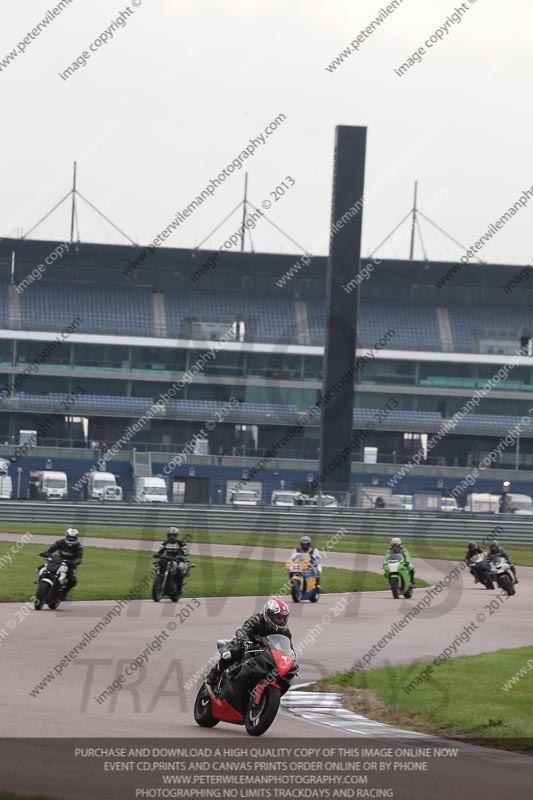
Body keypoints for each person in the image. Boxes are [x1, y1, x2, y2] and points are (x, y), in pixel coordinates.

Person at [206, 598, 291, 688]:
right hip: (247, 646)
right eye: (278, 617)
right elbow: (241, 631)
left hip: (266, 654)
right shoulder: (257, 620)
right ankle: (213, 675)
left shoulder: (285, 632)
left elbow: (289, 648)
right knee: (232, 653)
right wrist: (246, 641)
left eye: (283, 618)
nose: (281, 621)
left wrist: (291, 657)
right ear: (269, 615)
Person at [39, 528, 83, 600]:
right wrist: (45, 553)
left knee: (73, 580)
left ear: (76, 538)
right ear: (66, 536)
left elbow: (79, 558)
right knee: (41, 567)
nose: (71, 539)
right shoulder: (60, 542)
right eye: (69, 537)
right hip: (58, 560)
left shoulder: (78, 546)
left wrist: (74, 562)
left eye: (73, 538)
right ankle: (41, 583)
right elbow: (51, 548)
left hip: (70, 564)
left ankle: (64, 593)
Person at [154, 527, 190, 595]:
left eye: (173, 535)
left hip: (178, 559)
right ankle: (161, 580)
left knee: (180, 568)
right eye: (170, 535)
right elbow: (160, 551)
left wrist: (181, 557)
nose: (171, 537)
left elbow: (185, 552)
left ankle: (179, 588)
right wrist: (157, 555)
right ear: (167, 535)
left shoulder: (181, 543)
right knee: (158, 565)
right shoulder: (165, 543)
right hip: (168, 558)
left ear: (176, 535)